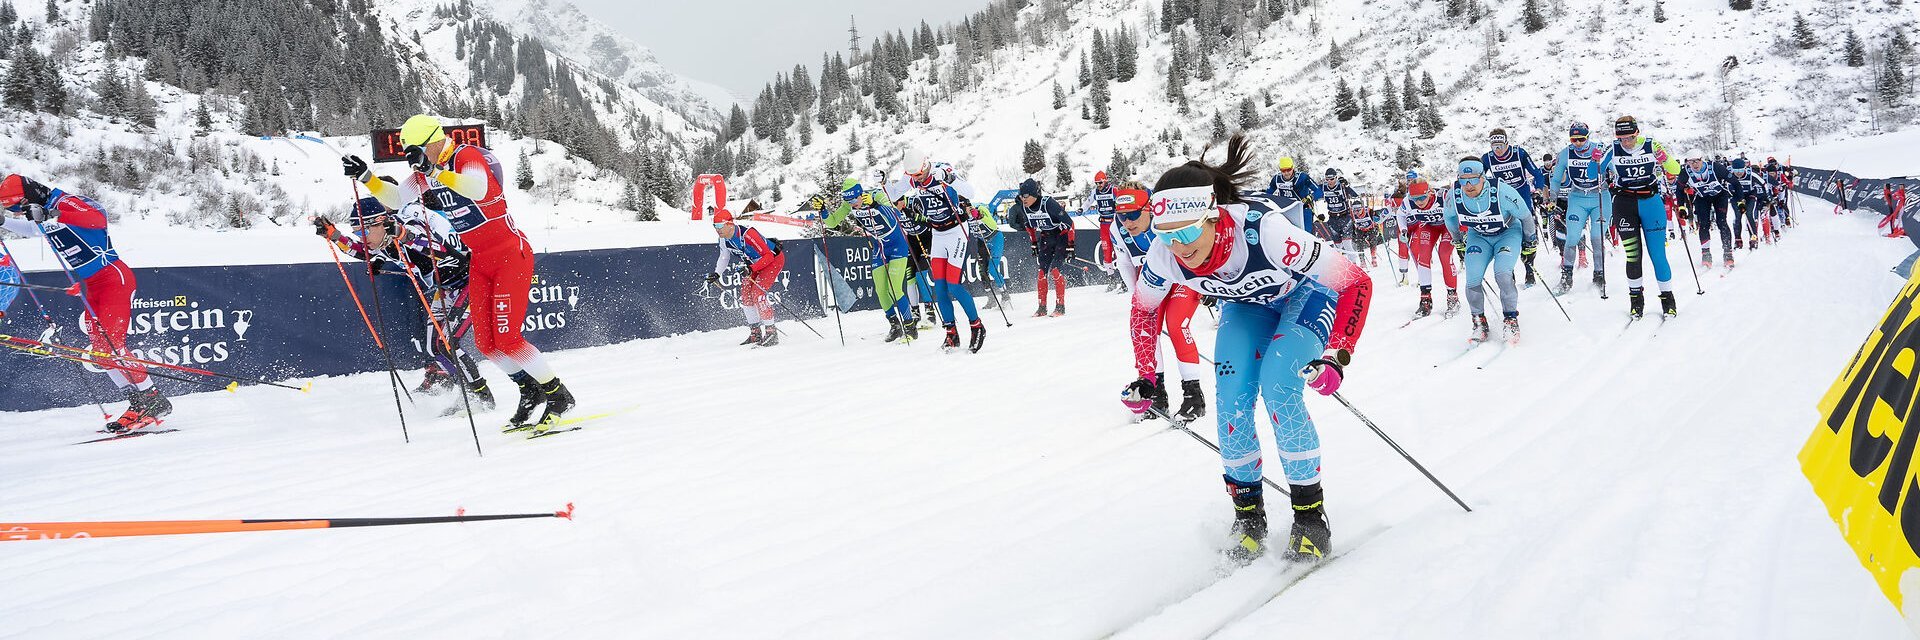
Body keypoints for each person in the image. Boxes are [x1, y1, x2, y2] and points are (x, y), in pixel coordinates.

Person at [1124, 135, 1373, 563]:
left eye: (1186, 231)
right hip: (1248, 308)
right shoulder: (1164, 256)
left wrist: (1336, 354)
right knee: (1232, 401)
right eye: (1165, 235)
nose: (1180, 247)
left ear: (1213, 215)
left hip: (1305, 298)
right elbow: (1144, 313)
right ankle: (1249, 519)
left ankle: (1310, 518)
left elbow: (1355, 282)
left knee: (1279, 385)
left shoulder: (1265, 232)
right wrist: (1148, 377)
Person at [347, 114, 575, 432]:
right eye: (410, 153)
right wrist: (368, 177)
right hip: (479, 261)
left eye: (418, 150)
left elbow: (477, 189)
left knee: (508, 339)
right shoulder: (425, 172)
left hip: (510, 255)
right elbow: (397, 199)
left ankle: (558, 395)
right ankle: (530, 391)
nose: (416, 158)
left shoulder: (464, 155)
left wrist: (435, 171)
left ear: (435, 141)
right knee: (486, 343)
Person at [0, 174, 169, 432]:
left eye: (19, 204)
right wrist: (6, 222)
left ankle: (153, 399)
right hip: (93, 286)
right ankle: (137, 402)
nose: (19, 210)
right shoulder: (43, 213)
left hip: (114, 278)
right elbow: (35, 229)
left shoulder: (67, 202)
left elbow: (97, 219)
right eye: (12, 208)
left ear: (32, 193)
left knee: (113, 345)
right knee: (100, 350)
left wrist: (52, 213)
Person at [315, 189, 494, 412]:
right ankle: (465, 393)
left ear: (381, 222)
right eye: (357, 232)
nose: (363, 238)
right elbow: (361, 251)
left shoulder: (409, 226)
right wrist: (334, 235)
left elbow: (441, 252)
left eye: (364, 231)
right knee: (434, 347)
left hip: (470, 281)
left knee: (446, 343)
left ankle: (482, 396)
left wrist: (404, 235)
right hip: (445, 290)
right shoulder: (382, 242)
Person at [1107, 187, 1207, 420]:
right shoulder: (1117, 229)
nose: (1127, 222)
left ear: (1149, 209)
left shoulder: (1167, 218)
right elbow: (1124, 263)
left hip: (1184, 275)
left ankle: (1193, 395)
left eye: (1133, 215)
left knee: (1176, 324)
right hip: (1152, 277)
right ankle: (1156, 392)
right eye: (1122, 216)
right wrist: (1137, 298)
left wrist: (1206, 282)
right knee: (1146, 329)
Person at [898, 152, 988, 352]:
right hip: (937, 234)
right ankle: (951, 334)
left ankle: (977, 326)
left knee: (953, 286)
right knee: (939, 289)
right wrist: (884, 183)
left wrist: (950, 179)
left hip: (956, 231)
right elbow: (894, 193)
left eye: (920, 174)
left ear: (926, 165)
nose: (917, 179)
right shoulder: (911, 179)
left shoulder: (943, 168)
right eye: (913, 176)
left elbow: (970, 192)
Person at [1597, 115, 1684, 319]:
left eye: (1630, 138)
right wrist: (1595, 159)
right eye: (1621, 138)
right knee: (1633, 255)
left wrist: (1663, 157)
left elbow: (1675, 170)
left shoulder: (1651, 144)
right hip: (1624, 204)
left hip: (1650, 202)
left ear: (1637, 133)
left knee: (1657, 254)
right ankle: (1636, 301)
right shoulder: (1613, 148)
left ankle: (1668, 299)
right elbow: (1595, 172)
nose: (1626, 142)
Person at [1444, 159, 1533, 343]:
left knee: (1502, 274)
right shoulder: (1453, 195)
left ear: (1483, 177)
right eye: (1463, 180)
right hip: (1479, 236)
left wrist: (1530, 241)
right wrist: (1458, 242)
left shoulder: (1502, 191)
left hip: (1507, 233)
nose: (1468, 185)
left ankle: (1510, 319)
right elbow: (1449, 219)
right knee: (1472, 280)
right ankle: (1479, 322)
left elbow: (1525, 216)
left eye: (1473, 180)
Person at [820, 180, 916, 342]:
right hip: (880, 246)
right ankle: (895, 326)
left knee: (895, 290)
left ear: (860, 193)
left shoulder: (876, 195)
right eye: (848, 202)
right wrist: (823, 211)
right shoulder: (849, 204)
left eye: (854, 201)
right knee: (881, 290)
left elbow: (897, 214)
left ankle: (910, 327)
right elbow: (833, 222)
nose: (852, 205)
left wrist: (876, 205)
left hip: (897, 244)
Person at [1549, 122, 1611, 294]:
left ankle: (1599, 274)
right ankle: (1566, 277)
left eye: (1581, 139)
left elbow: (1614, 168)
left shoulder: (1599, 148)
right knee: (1572, 237)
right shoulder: (1566, 153)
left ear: (1588, 137)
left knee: (1596, 237)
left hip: (1600, 195)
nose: (1577, 143)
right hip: (1577, 198)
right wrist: (1552, 199)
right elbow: (1555, 179)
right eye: (1574, 139)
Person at [707, 209, 785, 346]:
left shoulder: (748, 234)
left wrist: (751, 268)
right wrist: (717, 273)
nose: (717, 229)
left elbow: (769, 256)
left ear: (729, 224)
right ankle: (755, 333)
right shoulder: (723, 240)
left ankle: (771, 333)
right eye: (715, 226)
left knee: (758, 293)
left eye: (719, 226)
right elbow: (724, 257)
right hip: (754, 264)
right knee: (745, 295)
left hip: (772, 261)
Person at [1482, 128, 1548, 285]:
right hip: (1503, 199)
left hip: (1522, 195)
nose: (1497, 150)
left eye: (1500, 146)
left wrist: (1538, 191)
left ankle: (1529, 269)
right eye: (1494, 146)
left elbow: (1537, 173)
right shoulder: (1487, 159)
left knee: (1528, 233)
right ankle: (1509, 272)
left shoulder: (1519, 153)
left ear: (1506, 143)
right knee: (1506, 234)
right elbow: (1480, 179)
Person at [1010, 178, 1073, 317]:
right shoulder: (1024, 208)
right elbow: (1029, 226)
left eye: (1026, 196)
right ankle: (1042, 308)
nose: (1023, 199)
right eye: (1021, 196)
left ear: (1034, 194)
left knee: (1055, 271)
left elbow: (1069, 223)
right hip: (1045, 238)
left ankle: (1060, 307)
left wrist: (1071, 245)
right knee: (1041, 274)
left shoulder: (1048, 203)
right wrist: (1033, 243)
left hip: (1061, 236)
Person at [1396, 178, 1459, 318]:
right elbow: (1400, 215)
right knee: (1422, 257)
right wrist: (1404, 230)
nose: (1419, 202)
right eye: (1415, 198)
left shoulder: (1443, 197)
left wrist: (1462, 231)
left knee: (1444, 255)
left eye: (1422, 197)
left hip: (1448, 227)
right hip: (1429, 227)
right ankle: (1425, 299)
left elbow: (1459, 210)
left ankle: (1452, 297)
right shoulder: (1408, 201)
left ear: (1429, 192)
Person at [1680, 152, 1734, 270]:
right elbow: (1679, 189)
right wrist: (1681, 206)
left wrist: (1740, 200)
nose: (1694, 164)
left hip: (1720, 196)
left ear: (1702, 160)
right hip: (1702, 197)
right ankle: (1706, 255)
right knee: (1703, 224)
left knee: (1722, 222)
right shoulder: (1685, 172)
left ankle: (1728, 254)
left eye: (1696, 161)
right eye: (1690, 162)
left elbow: (1734, 181)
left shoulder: (1715, 167)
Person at [1263, 156, 1323, 232]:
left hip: (1304, 209)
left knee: (1307, 233)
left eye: (1289, 170)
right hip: (1286, 210)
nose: (1286, 173)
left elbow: (1319, 191)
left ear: (1293, 167)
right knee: (1287, 234)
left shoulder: (1302, 177)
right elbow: (1268, 194)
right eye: (1283, 170)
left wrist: (1311, 197)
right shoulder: (1276, 179)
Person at [1088, 170, 1123, 292]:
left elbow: (1121, 203)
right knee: (1106, 253)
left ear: (1105, 181)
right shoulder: (1095, 192)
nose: (1099, 185)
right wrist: (1082, 209)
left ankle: (1124, 281)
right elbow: (1088, 202)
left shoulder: (1113, 190)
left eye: (1100, 182)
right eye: (1097, 183)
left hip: (1115, 224)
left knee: (1119, 252)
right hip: (1103, 224)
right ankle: (1112, 279)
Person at [1320, 168, 1360, 254]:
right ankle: (1341, 264)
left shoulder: (1342, 185)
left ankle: (1353, 263)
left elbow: (1356, 194)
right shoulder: (1323, 187)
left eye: (1332, 179)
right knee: (1337, 246)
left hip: (1345, 217)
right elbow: (1312, 193)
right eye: (1327, 179)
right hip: (1333, 219)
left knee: (1347, 244)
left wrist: (1347, 185)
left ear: (1336, 177)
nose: (1329, 181)